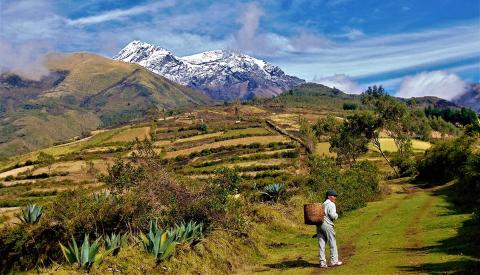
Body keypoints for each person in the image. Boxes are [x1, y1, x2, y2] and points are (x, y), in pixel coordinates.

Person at [317, 190, 342, 268]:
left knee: (321, 244)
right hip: (327, 224)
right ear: (329, 196)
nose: (335, 197)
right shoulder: (331, 204)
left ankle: (322, 263)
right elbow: (332, 215)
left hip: (319, 225)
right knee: (332, 242)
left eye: (335, 196)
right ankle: (334, 261)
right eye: (333, 196)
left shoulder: (323, 204)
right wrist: (337, 215)